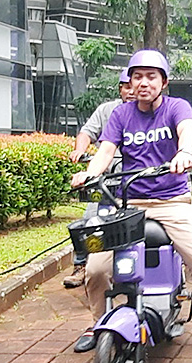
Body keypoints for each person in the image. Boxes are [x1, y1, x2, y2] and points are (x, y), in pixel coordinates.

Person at [70, 50, 192, 355]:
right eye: (137, 77)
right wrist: (89, 173)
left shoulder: (178, 107)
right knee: (95, 269)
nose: (143, 83)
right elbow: (106, 150)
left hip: (172, 201)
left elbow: (185, 131)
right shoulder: (121, 114)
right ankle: (97, 323)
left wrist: (184, 152)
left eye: (151, 77)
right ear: (130, 82)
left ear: (164, 82)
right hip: (131, 203)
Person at [62, 68, 135, 289]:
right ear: (121, 90)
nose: (132, 91)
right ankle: (81, 264)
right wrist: (80, 151)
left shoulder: (153, 111)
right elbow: (87, 133)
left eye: (134, 85)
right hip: (109, 179)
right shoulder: (108, 111)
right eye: (126, 86)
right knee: (91, 217)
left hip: (139, 181)